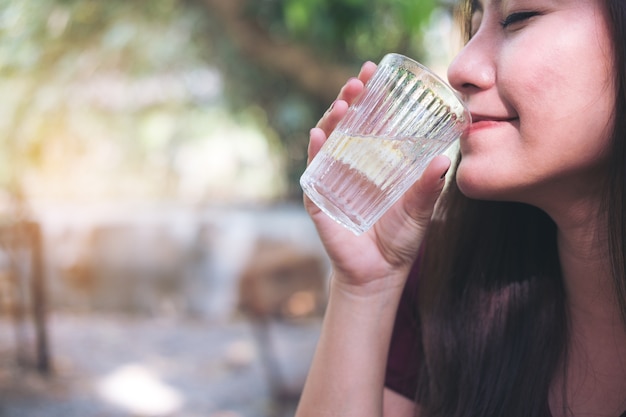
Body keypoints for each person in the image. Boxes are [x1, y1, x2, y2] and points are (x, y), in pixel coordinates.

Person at [294, 0, 626, 416]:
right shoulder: (440, 279)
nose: (460, 67)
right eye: (473, 26)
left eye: (518, 18)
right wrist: (365, 287)